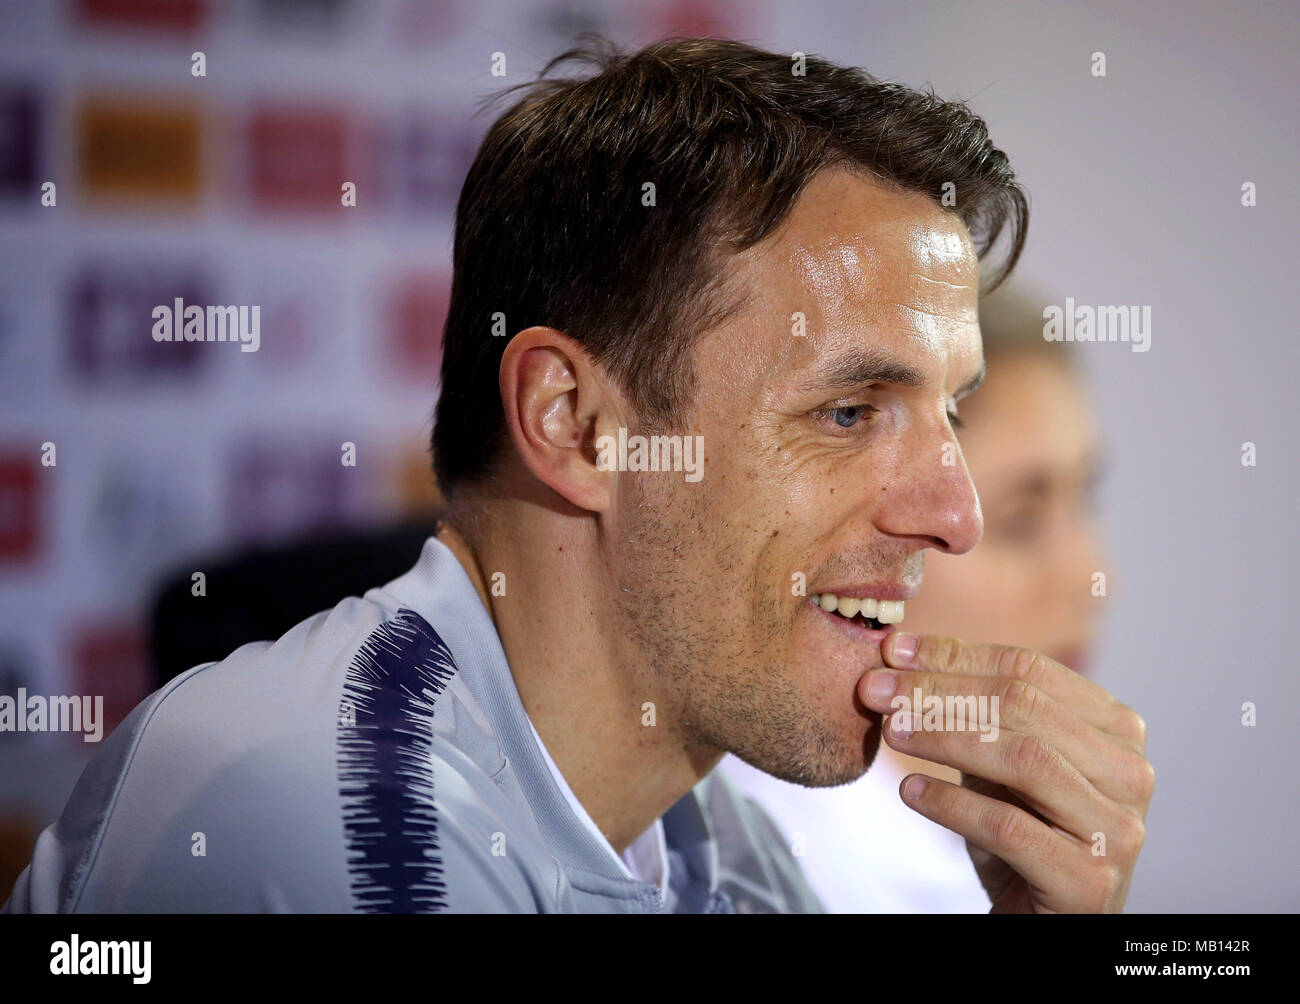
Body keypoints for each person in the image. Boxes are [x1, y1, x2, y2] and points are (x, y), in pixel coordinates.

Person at [4, 37, 1151, 914]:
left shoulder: (701, 823)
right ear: (576, 423)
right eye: (849, 410)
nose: (954, 515)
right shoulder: (325, 817)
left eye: (946, 415)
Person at [720, 287, 1108, 911]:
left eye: (1084, 500)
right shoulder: (762, 863)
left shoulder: (993, 859)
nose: (1092, 579)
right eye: (1020, 521)